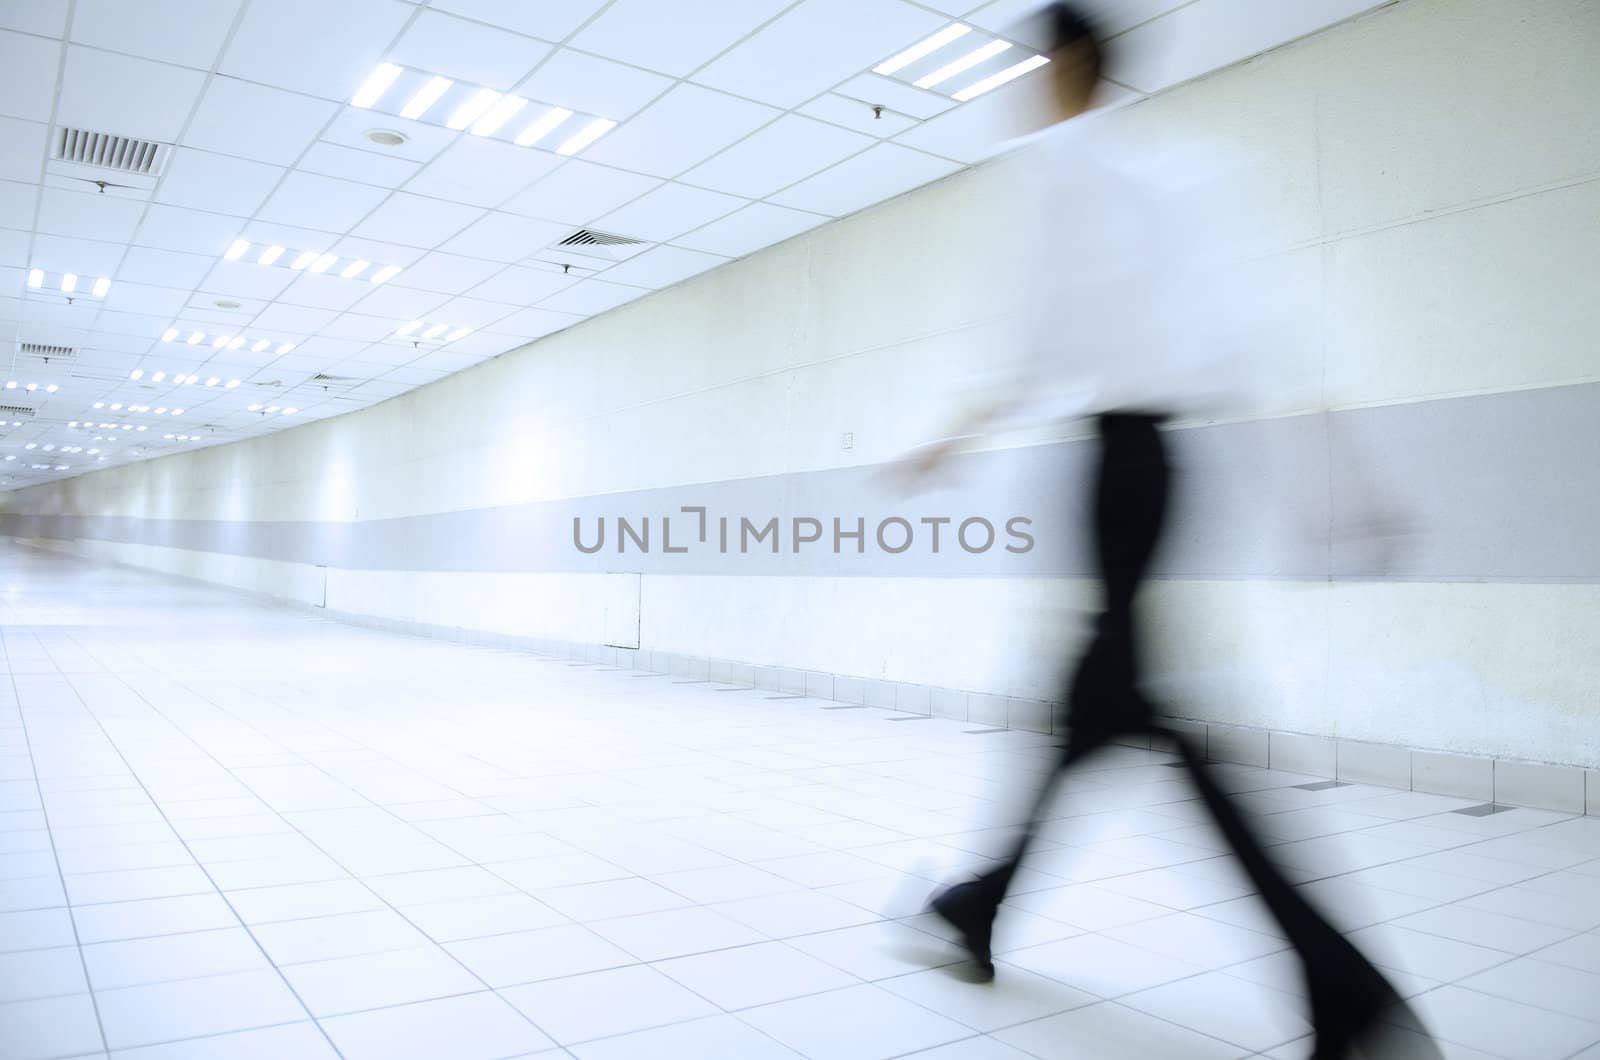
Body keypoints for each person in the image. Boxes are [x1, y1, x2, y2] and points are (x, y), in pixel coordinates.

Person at [895, 6, 1437, 1058]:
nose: (1023, 86)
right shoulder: (1177, 177)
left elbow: (1026, 343)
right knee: (1096, 708)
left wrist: (943, 439)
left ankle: (1342, 987)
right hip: (1169, 466)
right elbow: (1260, 335)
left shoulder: (1052, 166)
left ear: (1063, 65)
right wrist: (1349, 478)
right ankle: (977, 906)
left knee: (1138, 715)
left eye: (1028, 66)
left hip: (1112, 466)